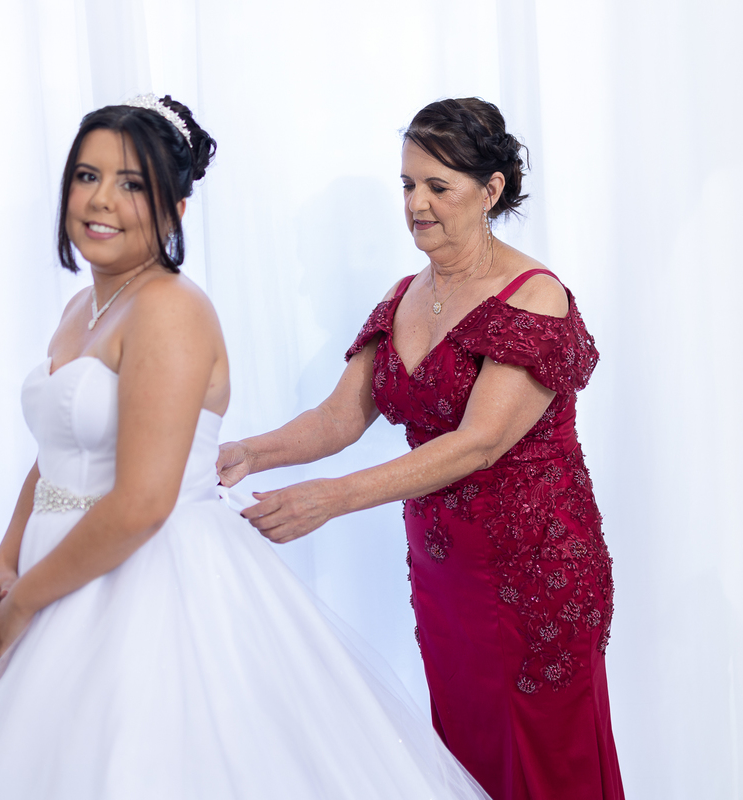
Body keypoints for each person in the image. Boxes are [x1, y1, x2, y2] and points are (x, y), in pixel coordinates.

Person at [0, 94, 492, 800]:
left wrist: (25, 599)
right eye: (87, 176)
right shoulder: (81, 309)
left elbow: (143, 503)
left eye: (132, 184)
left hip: (146, 580)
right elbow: (54, 450)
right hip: (55, 571)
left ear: (176, 210)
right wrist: (6, 561)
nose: (101, 199)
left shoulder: (170, 308)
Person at [217, 98, 625, 800]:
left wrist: (332, 498)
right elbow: (337, 418)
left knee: (546, 764)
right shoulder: (405, 294)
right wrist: (247, 453)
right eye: (408, 184)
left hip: (535, 573)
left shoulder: (535, 298)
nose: (416, 204)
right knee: (464, 756)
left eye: (438, 186)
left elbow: (479, 443)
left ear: (490, 190)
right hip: (445, 575)